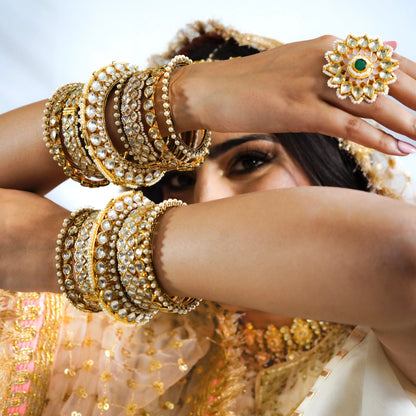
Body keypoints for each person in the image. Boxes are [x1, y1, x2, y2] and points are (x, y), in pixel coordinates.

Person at [1, 20, 416, 415]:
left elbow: (400, 258)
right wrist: (179, 98)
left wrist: (99, 251)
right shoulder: (112, 340)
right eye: (180, 180)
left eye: (250, 161)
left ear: (330, 162)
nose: (205, 202)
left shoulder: (390, 339)